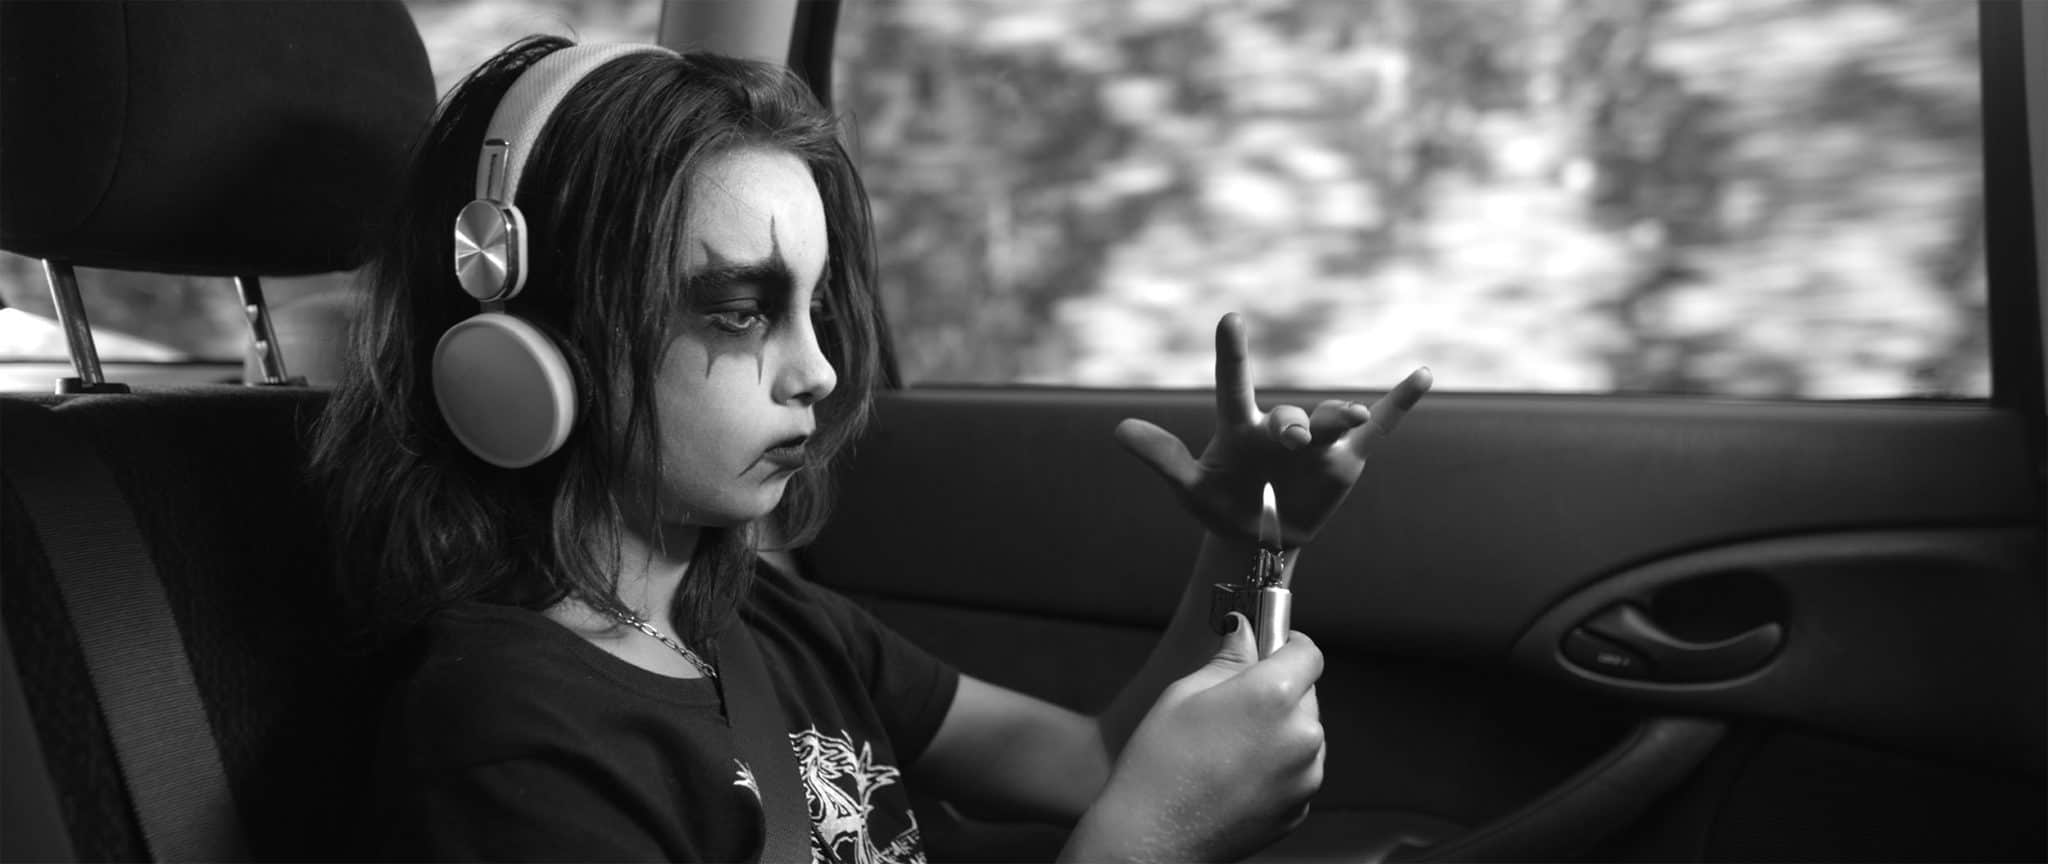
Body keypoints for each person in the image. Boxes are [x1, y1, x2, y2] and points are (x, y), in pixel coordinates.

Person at [310, 35, 1431, 863]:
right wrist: (1152, 845)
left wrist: (1244, 545)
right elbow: (1131, 807)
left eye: (813, 307)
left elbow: (1094, 762)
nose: (820, 370)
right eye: (739, 312)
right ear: (525, 347)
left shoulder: (763, 620)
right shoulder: (507, 752)